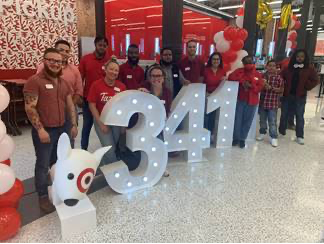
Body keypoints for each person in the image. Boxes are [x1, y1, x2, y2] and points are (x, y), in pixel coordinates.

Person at [24, 48, 78, 213]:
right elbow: (30, 107)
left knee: (58, 162)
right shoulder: (34, 81)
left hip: (63, 128)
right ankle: (42, 195)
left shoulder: (64, 83)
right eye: (51, 60)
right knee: (42, 164)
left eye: (59, 61)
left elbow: (70, 105)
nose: (55, 64)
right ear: (44, 60)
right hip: (45, 130)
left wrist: (74, 125)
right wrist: (40, 129)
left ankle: (57, 188)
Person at [37, 40, 83, 148]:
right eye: (61, 50)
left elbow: (79, 91)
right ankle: (52, 164)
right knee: (50, 144)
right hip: (49, 112)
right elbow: (39, 89)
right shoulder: (42, 68)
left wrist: (69, 106)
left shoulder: (74, 70)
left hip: (69, 113)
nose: (64, 53)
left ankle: (68, 164)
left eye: (67, 51)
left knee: (69, 142)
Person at [88, 60, 126, 166]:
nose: (113, 72)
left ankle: (104, 166)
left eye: (116, 70)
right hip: (102, 120)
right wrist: (101, 124)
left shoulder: (121, 86)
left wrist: (123, 125)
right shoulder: (96, 85)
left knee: (111, 146)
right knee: (110, 148)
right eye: (111, 69)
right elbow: (92, 105)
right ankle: (115, 170)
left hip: (116, 121)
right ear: (105, 69)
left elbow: (124, 107)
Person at [279, 49, 320, 145]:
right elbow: (280, 77)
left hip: (300, 96)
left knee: (299, 116)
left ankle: (300, 136)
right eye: (298, 56)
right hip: (287, 95)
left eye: (302, 56)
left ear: (305, 58)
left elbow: (316, 80)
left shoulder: (309, 68)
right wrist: (282, 86)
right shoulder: (288, 67)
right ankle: (281, 132)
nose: (300, 58)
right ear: (294, 57)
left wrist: (307, 86)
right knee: (284, 114)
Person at [79, 37, 110, 150]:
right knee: (87, 125)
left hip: (105, 100)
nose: (102, 47)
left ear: (107, 47)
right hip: (88, 99)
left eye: (104, 45)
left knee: (106, 125)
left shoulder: (109, 61)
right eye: (100, 45)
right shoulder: (85, 59)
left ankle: (108, 148)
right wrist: (79, 96)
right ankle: (84, 148)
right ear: (95, 45)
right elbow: (80, 79)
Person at [229, 55, 264, 149]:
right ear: (243, 63)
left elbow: (260, 87)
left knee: (247, 121)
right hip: (241, 99)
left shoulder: (258, 74)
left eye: (250, 62)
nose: (248, 64)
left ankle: (242, 139)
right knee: (238, 120)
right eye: (246, 62)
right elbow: (230, 77)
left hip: (252, 101)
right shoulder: (239, 71)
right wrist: (242, 81)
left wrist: (252, 86)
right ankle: (235, 138)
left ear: (253, 62)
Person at [144, 65, 172, 177]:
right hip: (145, 124)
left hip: (159, 124)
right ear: (150, 78)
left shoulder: (167, 92)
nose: (156, 78)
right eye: (154, 75)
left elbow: (168, 110)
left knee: (160, 145)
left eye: (159, 75)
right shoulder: (145, 89)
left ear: (163, 77)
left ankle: (161, 167)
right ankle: (148, 166)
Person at [257, 60, 285, 148]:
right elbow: (257, 87)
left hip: (272, 103)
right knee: (262, 120)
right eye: (270, 65)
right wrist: (262, 86)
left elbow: (281, 90)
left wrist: (271, 88)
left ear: (276, 67)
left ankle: (273, 137)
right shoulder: (262, 76)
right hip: (262, 103)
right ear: (266, 66)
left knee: (272, 121)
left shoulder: (279, 78)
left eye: (273, 66)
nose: (271, 67)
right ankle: (262, 132)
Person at [203, 52, 226, 142]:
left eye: (217, 59)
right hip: (207, 96)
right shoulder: (206, 70)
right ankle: (204, 135)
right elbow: (202, 82)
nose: (216, 61)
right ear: (210, 60)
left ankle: (211, 135)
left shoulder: (222, 71)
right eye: (214, 59)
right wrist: (205, 93)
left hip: (217, 98)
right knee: (206, 117)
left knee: (214, 117)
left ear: (220, 61)